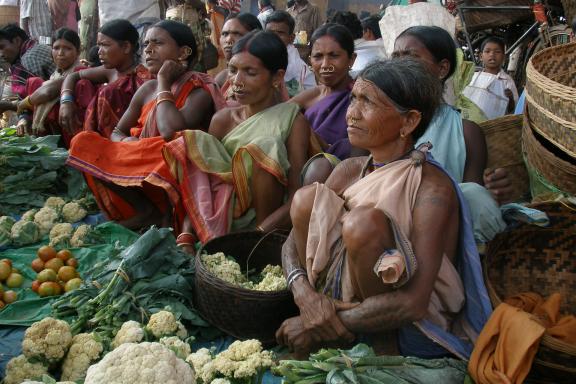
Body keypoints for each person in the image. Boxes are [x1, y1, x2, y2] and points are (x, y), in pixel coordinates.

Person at [276, 57, 492, 360]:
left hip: (407, 329)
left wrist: (316, 325)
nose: (352, 114)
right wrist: (305, 296)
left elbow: (414, 304)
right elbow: (290, 244)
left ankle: (378, 350)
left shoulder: (431, 189)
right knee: (305, 200)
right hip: (335, 310)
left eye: (368, 102)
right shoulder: (350, 170)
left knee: (363, 223)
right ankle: (329, 329)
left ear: (409, 122)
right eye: (354, 99)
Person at [67, 19, 224, 230]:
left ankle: (170, 217)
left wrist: (163, 82)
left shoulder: (198, 90)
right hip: (140, 156)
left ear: (184, 52)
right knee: (83, 143)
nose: (148, 50)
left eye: (157, 43)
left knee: (171, 149)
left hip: (170, 164)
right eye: (146, 44)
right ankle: (146, 211)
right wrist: (127, 142)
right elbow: (117, 131)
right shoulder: (147, 88)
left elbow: (171, 132)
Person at [162, 30, 310, 247]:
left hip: (264, 227)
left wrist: (254, 238)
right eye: (232, 70)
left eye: (250, 72)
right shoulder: (222, 120)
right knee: (195, 141)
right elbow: (202, 184)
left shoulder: (292, 121)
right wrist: (186, 237)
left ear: (277, 77)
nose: (237, 82)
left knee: (265, 145)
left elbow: (297, 194)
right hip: (216, 222)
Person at [393, 26, 512, 242]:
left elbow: (470, 201)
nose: (400, 64)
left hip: (438, 237)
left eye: (411, 56)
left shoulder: (466, 131)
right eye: (396, 56)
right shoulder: (379, 120)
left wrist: (489, 192)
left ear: (442, 69)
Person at [59, 19, 151, 139]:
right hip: (101, 135)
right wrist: (66, 101)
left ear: (126, 47)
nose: (99, 52)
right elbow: (73, 76)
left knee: (109, 92)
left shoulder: (143, 78)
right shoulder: (111, 71)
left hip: (125, 139)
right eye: (99, 46)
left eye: (105, 45)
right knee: (82, 84)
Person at [290, 23, 358, 176]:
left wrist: (313, 139)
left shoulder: (361, 97)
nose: (325, 65)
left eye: (334, 56)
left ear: (351, 59)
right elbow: (279, 117)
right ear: (310, 61)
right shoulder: (312, 94)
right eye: (318, 57)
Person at [15, 27, 84, 146]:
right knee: (34, 83)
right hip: (57, 131)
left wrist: (22, 104)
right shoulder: (56, 74)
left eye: (67, 48)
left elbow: (48, 92)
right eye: (56, 48)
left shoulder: (80, 71)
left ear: (78, 52)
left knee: (36, 83)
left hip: (73, 131)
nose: (61, 53)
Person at [463, 36, 519, 119]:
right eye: (487, 51)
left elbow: (514, 110)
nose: (492, 54)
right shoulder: (473, 77)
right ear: (481, 56)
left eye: (497, 52)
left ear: (504, 57)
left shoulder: (507, 81)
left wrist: (510, 98)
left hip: (493, 126)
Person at [265, 10, 316, 97]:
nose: (274, 37)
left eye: (280, 33)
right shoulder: (257, 56)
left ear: (291, 38)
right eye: (270, 32)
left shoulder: (299, 68)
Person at [0, 24, 55, 102]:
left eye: (2, 47)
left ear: (17, 41)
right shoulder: (37, 46)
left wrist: (9, 106)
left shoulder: (28, 59)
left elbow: (34, 99)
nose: (1, 54)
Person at [214, 12, 262, 96]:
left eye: (237, 34)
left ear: (255, 37)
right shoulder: (222, 77)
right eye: (225, 34)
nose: (228, 40)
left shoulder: (263, 76)